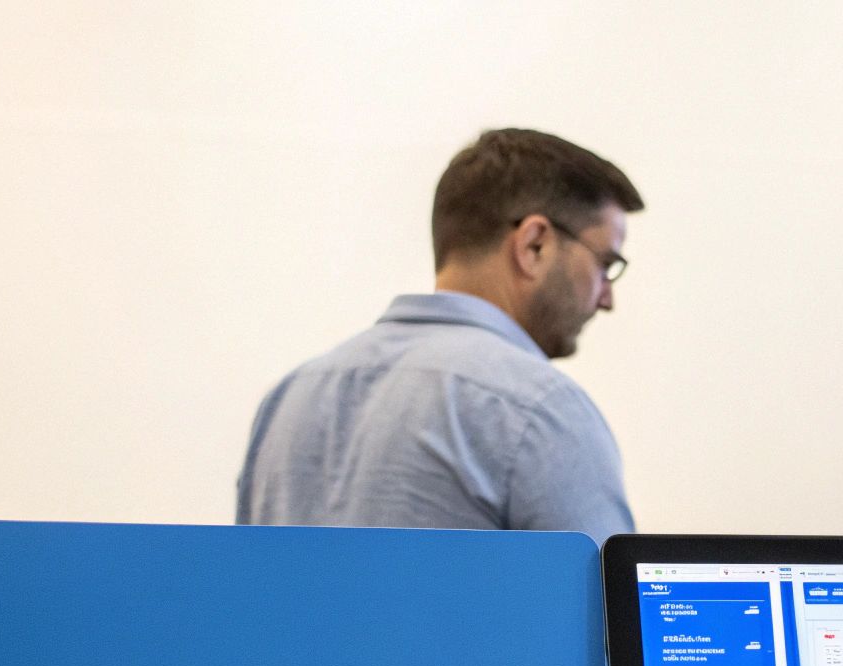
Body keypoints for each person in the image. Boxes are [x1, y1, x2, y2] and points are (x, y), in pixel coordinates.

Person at [236, 128, 644, 544]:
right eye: (606, 265)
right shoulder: (542, 410)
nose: (607, 298)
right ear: (534, 245)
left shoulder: (287, 400)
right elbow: (609, 588)